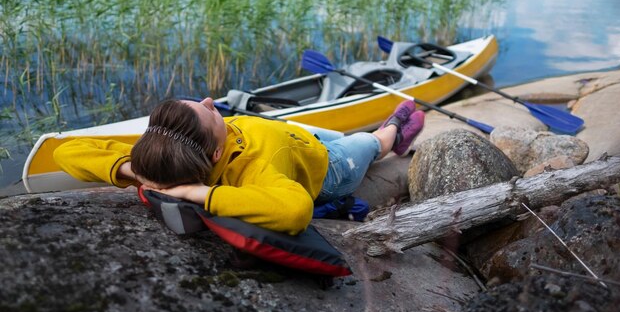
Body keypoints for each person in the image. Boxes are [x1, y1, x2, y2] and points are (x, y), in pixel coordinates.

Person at [54, 98, 425, 235]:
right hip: (328, 168)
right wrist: (197, 192)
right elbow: (296, 210)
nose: (210, 100)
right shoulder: (253, 170)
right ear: (216, 156)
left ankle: (381, 133)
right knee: (366, 143)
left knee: (337, 132)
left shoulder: (165, 148)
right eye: (212, 113)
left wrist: (137, 171)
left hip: (294, 136)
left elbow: (66, 151)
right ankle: (392, 131)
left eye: (202, 104)